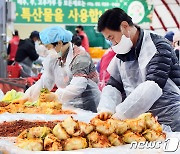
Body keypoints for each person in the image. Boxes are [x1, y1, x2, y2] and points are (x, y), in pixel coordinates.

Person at [96, 8, 180, 131]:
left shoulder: (158, 46)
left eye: (112, 37)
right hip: (139, 124)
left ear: (124, 26)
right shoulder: (122, 53)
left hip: (169, 122)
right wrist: (106, 109)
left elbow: (152, 86)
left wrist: (119, 115)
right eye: (109, 40)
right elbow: (113, 86)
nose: (113, 43)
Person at [18, 26, 100, 112]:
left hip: (87, 103)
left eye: (48, 47)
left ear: (59, 43)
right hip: (67, 103)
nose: (47, 50)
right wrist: (27, 97)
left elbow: (77, 87)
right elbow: (45, 81)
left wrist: (55, 96)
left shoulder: (80, 57)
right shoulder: (55, 57)